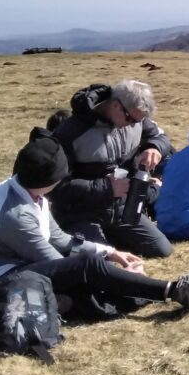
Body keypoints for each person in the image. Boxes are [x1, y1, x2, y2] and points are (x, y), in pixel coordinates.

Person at [0, 129, 189, 312]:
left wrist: (110, 252)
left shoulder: (28, 193)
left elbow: (60, 239)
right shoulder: (15, 215)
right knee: (88, 273)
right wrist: (109, 267)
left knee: (90, 278)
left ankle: (138, 293)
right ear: (52, 181)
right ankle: (173, 291)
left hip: (9, 272)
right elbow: (62, 265)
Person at [50, 80, 173, 258]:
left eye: (138, 121)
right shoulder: (71, 132)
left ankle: (109, 239)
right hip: (82, 213)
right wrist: (107, 188)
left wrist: (154, 147)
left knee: (162, 249)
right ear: (115, 105)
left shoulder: (136, 120)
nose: (133, 125)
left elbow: (159, 136)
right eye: (130, 119)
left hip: (121, 209)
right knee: (100, 264)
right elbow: (56, 187)